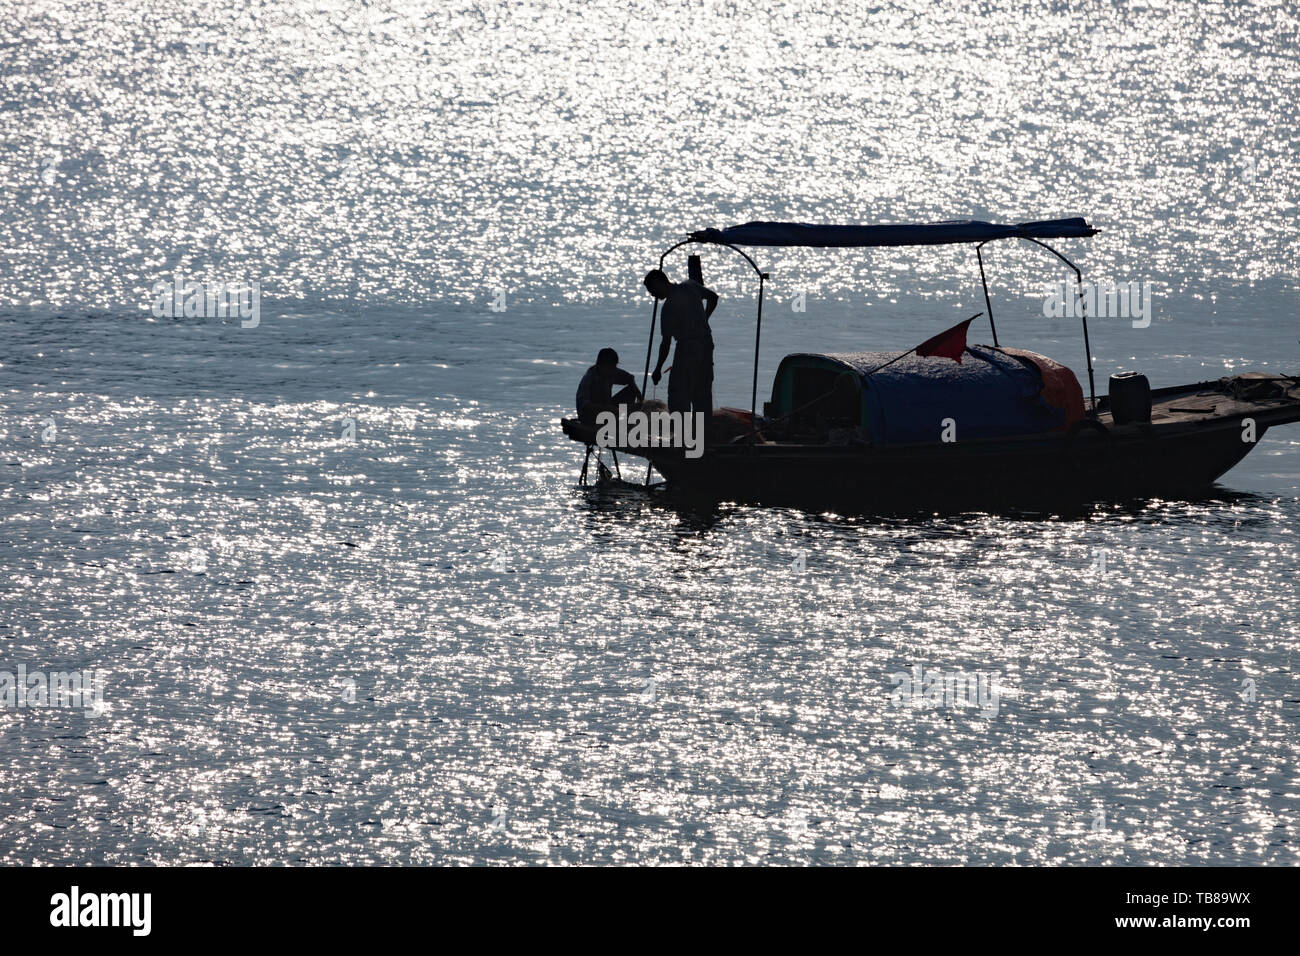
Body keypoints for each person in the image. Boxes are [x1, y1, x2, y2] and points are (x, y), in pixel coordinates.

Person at [643, 269, 718, 415]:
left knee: (678, 394)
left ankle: (682, 433)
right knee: (702, 392)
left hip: (688, 348)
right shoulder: (690, 286)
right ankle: (703, 432)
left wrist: (658, 369)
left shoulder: (668, 308)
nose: (653, 295)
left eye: (652, 290)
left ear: (659, 282)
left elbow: (666, 343)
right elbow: (713, 298)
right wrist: (704, 318)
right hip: (706, 343)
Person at [575, 347, 642, 426]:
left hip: (607, 409)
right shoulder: (589, 378)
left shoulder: (611, 372)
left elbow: (629, 378)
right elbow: (584, 405)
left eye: (614, 366)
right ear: (601, 365)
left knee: (631, 390)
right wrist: (608, 408)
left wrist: (638, 394)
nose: (614, 370)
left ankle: (624, 420)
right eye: (611, 367)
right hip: (589, 416)